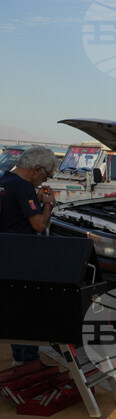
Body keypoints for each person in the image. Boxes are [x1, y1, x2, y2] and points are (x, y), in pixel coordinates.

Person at [0, 146, 59, 366]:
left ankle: (20, 359)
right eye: (47, 175)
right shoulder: (23, 186)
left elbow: (14, 211)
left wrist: (33, 198)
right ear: (37, 169)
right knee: (28, 311)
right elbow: (38, 224)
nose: (45, 180)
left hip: (6, 256)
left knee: (14, 311)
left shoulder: (5, 180)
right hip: (22, 258)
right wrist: (48, 204)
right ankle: (29, 362)